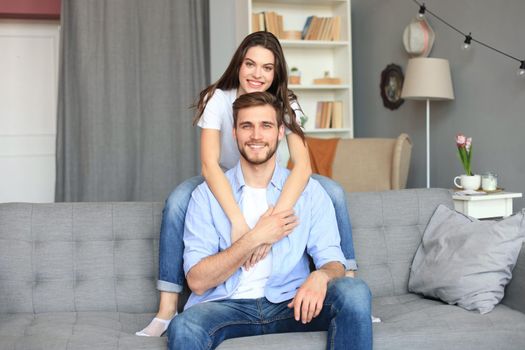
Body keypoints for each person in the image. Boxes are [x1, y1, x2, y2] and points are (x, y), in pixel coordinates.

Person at [136, 31, 357, 337]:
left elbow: (302, 164)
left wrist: (272, 226)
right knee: (178, 201)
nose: (257, 74)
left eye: (267, 68)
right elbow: (209, 164)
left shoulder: (286, 102)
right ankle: (167, 306)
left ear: (276, 72)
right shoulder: (219, 98)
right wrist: (241, 226)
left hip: (269, 174)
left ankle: (348, 277)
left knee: (331, 191)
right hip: (224, 174)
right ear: (238, 65)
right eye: (250, 64)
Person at [169, 91, 372, 350]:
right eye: (246, 126)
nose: (256, 135)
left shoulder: (308, 192)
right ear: (234, 133)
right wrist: (255, 237)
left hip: (291, 303)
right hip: (225, 307)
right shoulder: (205, 196)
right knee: (184, 325)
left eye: (265, 125)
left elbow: (333, 260)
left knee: (354, 292)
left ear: (280, 132)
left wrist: (321, 276)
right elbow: (197, 281)